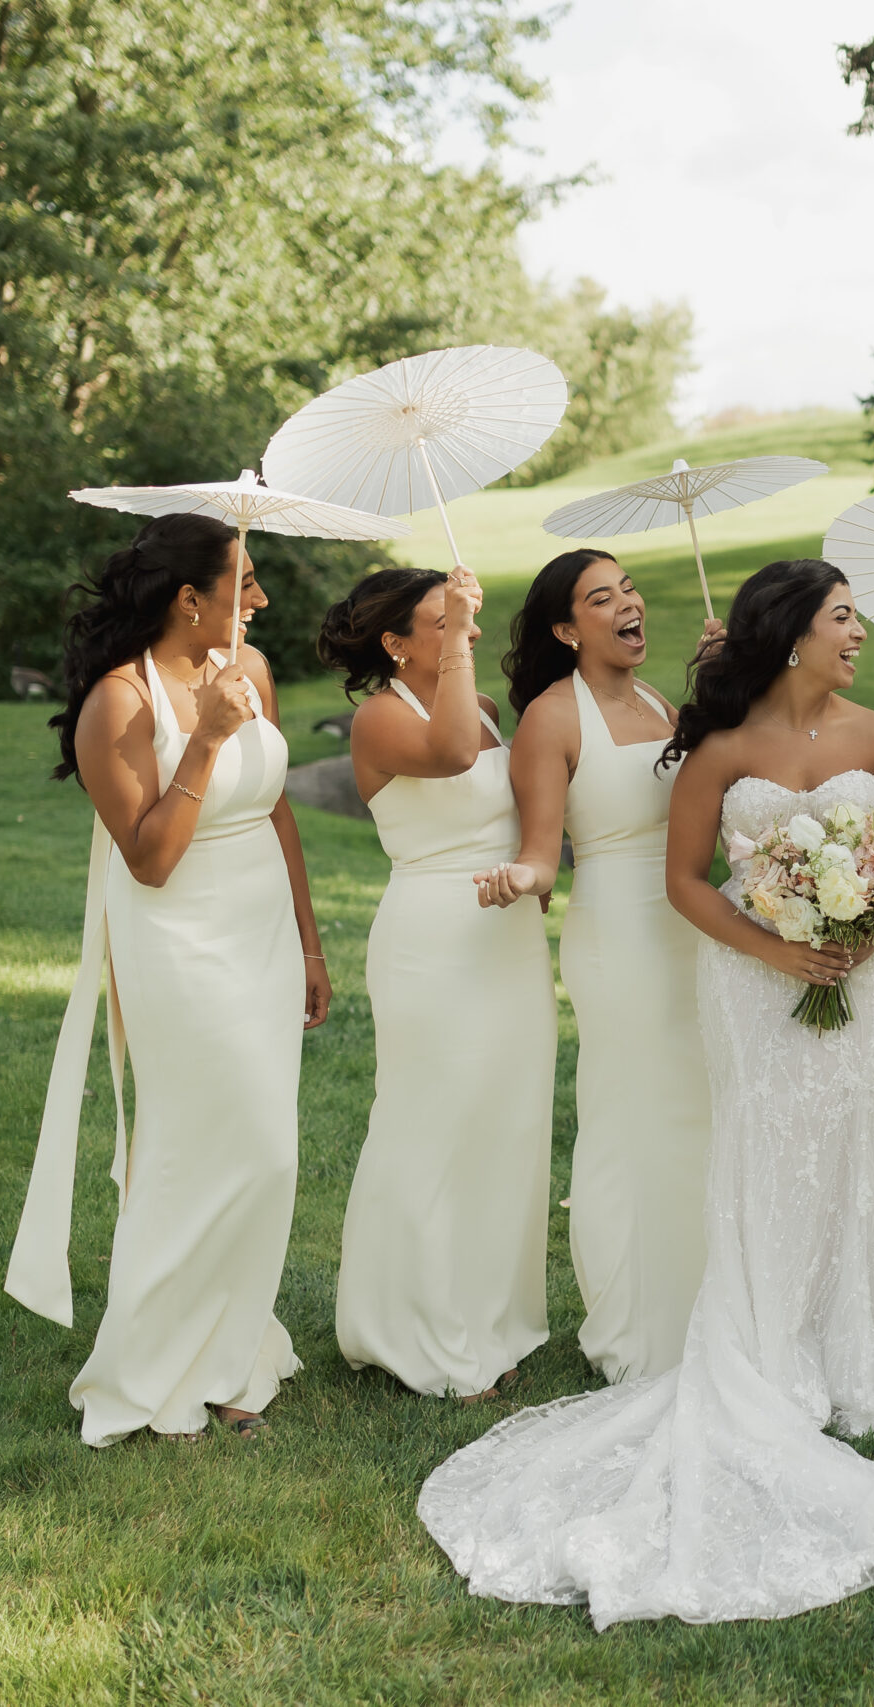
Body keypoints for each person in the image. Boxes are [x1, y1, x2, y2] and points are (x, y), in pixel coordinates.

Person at [417, 559, 874, 1629]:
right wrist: (781, 944)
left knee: (853, 1149)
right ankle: (762, 1349)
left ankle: (849, 1348)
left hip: (871, 979)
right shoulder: (718, 747)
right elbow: (684, 879)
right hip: (755, 980)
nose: (859, 635)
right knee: (760, 1147)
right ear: (794, 632)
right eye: (844, 618)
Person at [6, 512, 326, 1445]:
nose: (261, 599)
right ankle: (151, 1367)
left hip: (263, 933)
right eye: (245, 582)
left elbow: (276, 812)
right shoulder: (120, 702)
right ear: (191, 599)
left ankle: (234, 1351)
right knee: (198, 1149)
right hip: (180, 942)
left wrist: (308, 942)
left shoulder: (251, 668)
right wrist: (207, 738)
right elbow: (148, 859)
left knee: (266, 1154)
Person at [479, 548, 711, 1383]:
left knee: (695, 1113)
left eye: (630, 589)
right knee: (630, 1115)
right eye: (602, 597)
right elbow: (543, 853)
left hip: (689, 925)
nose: (628, 604)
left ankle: (701, 1307)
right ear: (567, 629)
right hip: (617, 935)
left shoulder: (659, 701)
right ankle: (632, 1321)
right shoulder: (552, 718)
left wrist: (720, 688)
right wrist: (519, 879)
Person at [326, 565, 557, 1400]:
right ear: (396, 643)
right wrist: (462, 631)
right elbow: (453, 754)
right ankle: (416, 1331)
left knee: (507, 1122)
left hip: (509, 937)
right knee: (433, 1123)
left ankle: (489, 1315)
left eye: (462, 616)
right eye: (441, 620)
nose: (464, 629)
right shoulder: (380, 717)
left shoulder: (485, 707)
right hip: (432, 938)